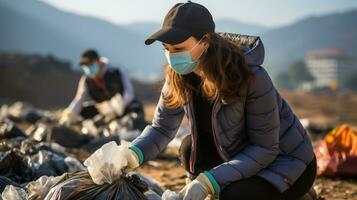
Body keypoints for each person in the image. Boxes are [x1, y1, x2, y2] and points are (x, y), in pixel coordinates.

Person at [95, 1, 317, 199]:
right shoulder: (178, 76)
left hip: (286, 164)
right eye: (167, 50)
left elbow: (265, 148)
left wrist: (208, 181)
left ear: (206, 42)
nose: (172, 57)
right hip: (238, 154)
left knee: (234, 195)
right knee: (188, 148)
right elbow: (162, 129)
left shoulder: (251, 78)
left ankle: (302, 194)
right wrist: (132, 154)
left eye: (179, 49)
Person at [60, 49, 145, 130]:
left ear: (99, 61)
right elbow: (79, 99)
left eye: (90, 64)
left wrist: (116, 106)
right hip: (104, 111)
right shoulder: (86, 80)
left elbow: (129, 93)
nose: (88, 68)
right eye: (85, 66)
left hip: (123, 107)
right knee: (84, 111)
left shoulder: (116, 71)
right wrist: (69, 115)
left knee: (135, 108)